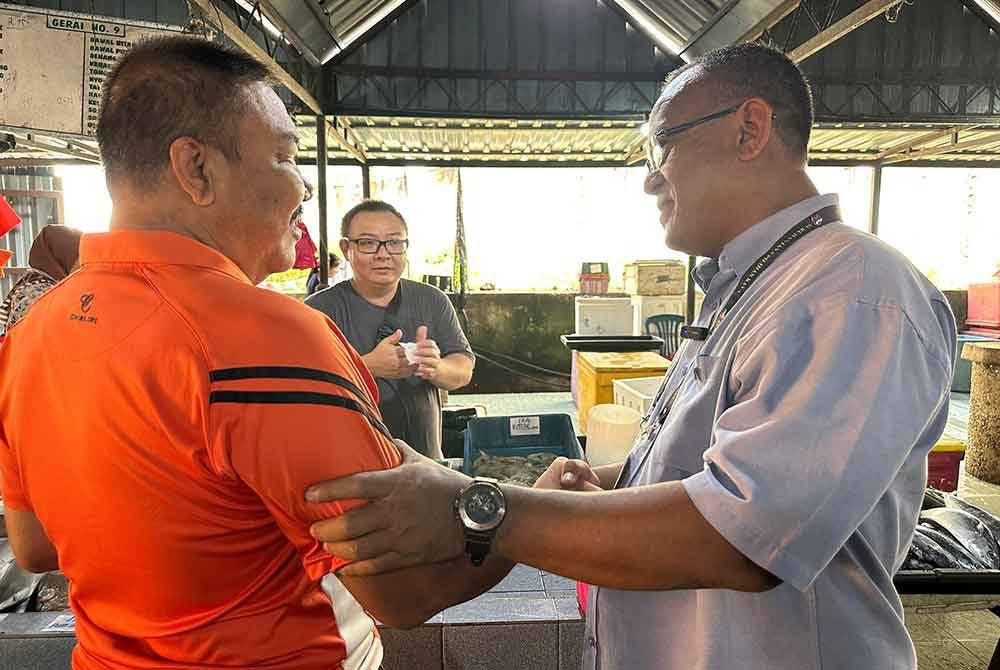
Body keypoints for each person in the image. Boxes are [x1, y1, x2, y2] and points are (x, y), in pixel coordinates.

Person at [303, 43, 957, 670]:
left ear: (749, 130)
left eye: (662, 145)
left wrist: (484, 508)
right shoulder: (750, 289)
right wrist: (606, 483)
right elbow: (715, 463)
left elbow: (742, 537)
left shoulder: (851, 293)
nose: (650, 179)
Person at [0, 37, 481, 670]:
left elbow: (35, 546)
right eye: (285, 155)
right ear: (195, 168)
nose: (303, 186)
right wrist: (510, 520)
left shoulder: (31, 331)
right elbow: (398, 589)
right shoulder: (269, 334)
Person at [306, 200, 475, 459]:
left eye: (395, 242)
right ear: (346, 248)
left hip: (427, 463)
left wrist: (435, 368)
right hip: (348, 465)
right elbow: (304, 389)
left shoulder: (432, 300)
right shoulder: (318, 310)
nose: (383, 254)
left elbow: (462, 368)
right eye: (367, 243)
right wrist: (366, 367)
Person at [0, 225, 83, 335]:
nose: (82, 265)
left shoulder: (40, 285)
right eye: (78, 258)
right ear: (62, 257)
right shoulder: (38, 294)